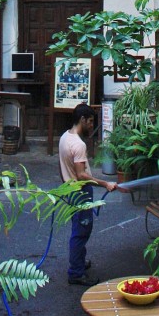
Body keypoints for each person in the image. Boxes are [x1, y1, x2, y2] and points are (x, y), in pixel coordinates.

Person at [59, 103, 117, 286]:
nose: (92, 126)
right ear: (82, 120)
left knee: (79, 229)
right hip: (80, 192)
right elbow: (82, 175)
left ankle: (79, 262)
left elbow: (63, 167)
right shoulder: (78, 144)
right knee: (80, 233)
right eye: (90, 122)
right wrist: (105, 183)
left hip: (70, 190)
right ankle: (76, 272)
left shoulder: (64, 137)